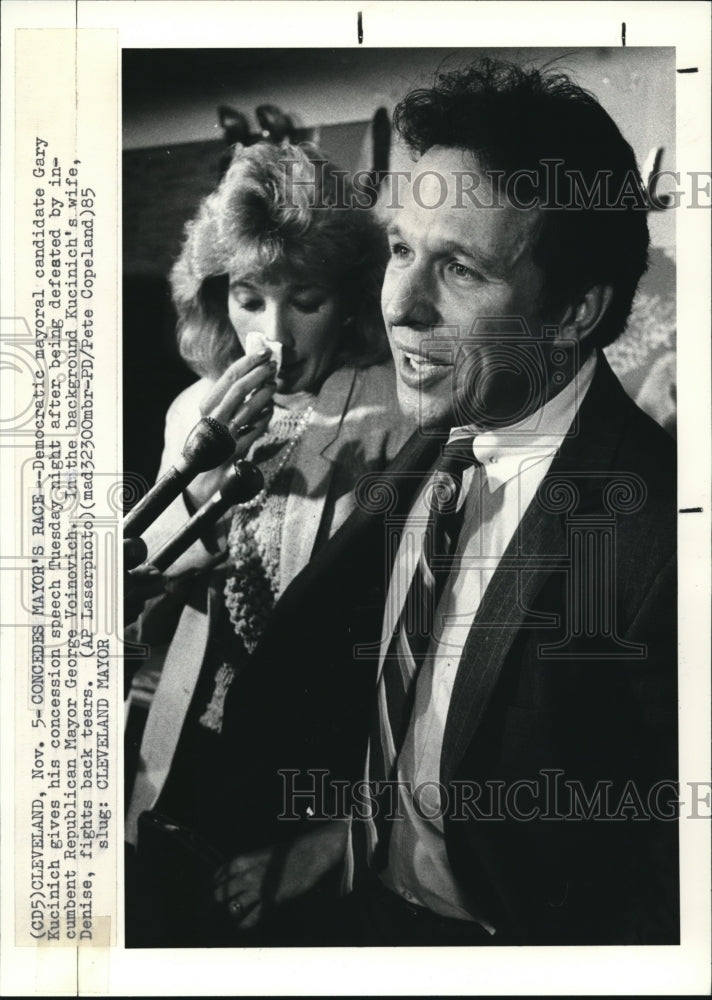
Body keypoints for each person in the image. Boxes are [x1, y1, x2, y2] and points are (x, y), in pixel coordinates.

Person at [213, 59, 678, 946]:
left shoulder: (660, 541)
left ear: (575, 309)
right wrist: (341, 841)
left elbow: (667, 909)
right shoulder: (447, 425)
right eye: (399, 249)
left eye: (460, 269)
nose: (400, 305)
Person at [124, 140, 413, 946]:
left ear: (352, 301)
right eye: (249, 300)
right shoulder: (194, 412)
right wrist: (208, 476)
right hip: (193, 743)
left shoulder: (395, 414)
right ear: (220, 299)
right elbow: (161, 576)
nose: (271, 336)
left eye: (305, 300)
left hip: (322, 760)